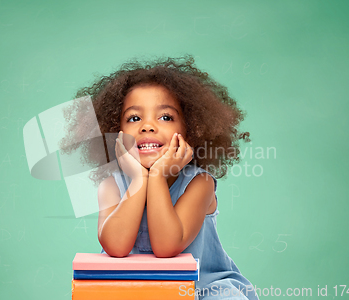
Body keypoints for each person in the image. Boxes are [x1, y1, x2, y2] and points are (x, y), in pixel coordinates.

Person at [60, 55, 259, 300]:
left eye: (165, 117)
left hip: (203, 289)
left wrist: (156, 176)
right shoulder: (112, 185)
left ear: (192, 129)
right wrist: (139, 181)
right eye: (134, 118)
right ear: (115, 133)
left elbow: (167, 247)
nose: (147, 126)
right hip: (132, 290)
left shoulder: (199, 184)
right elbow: (116, 247)